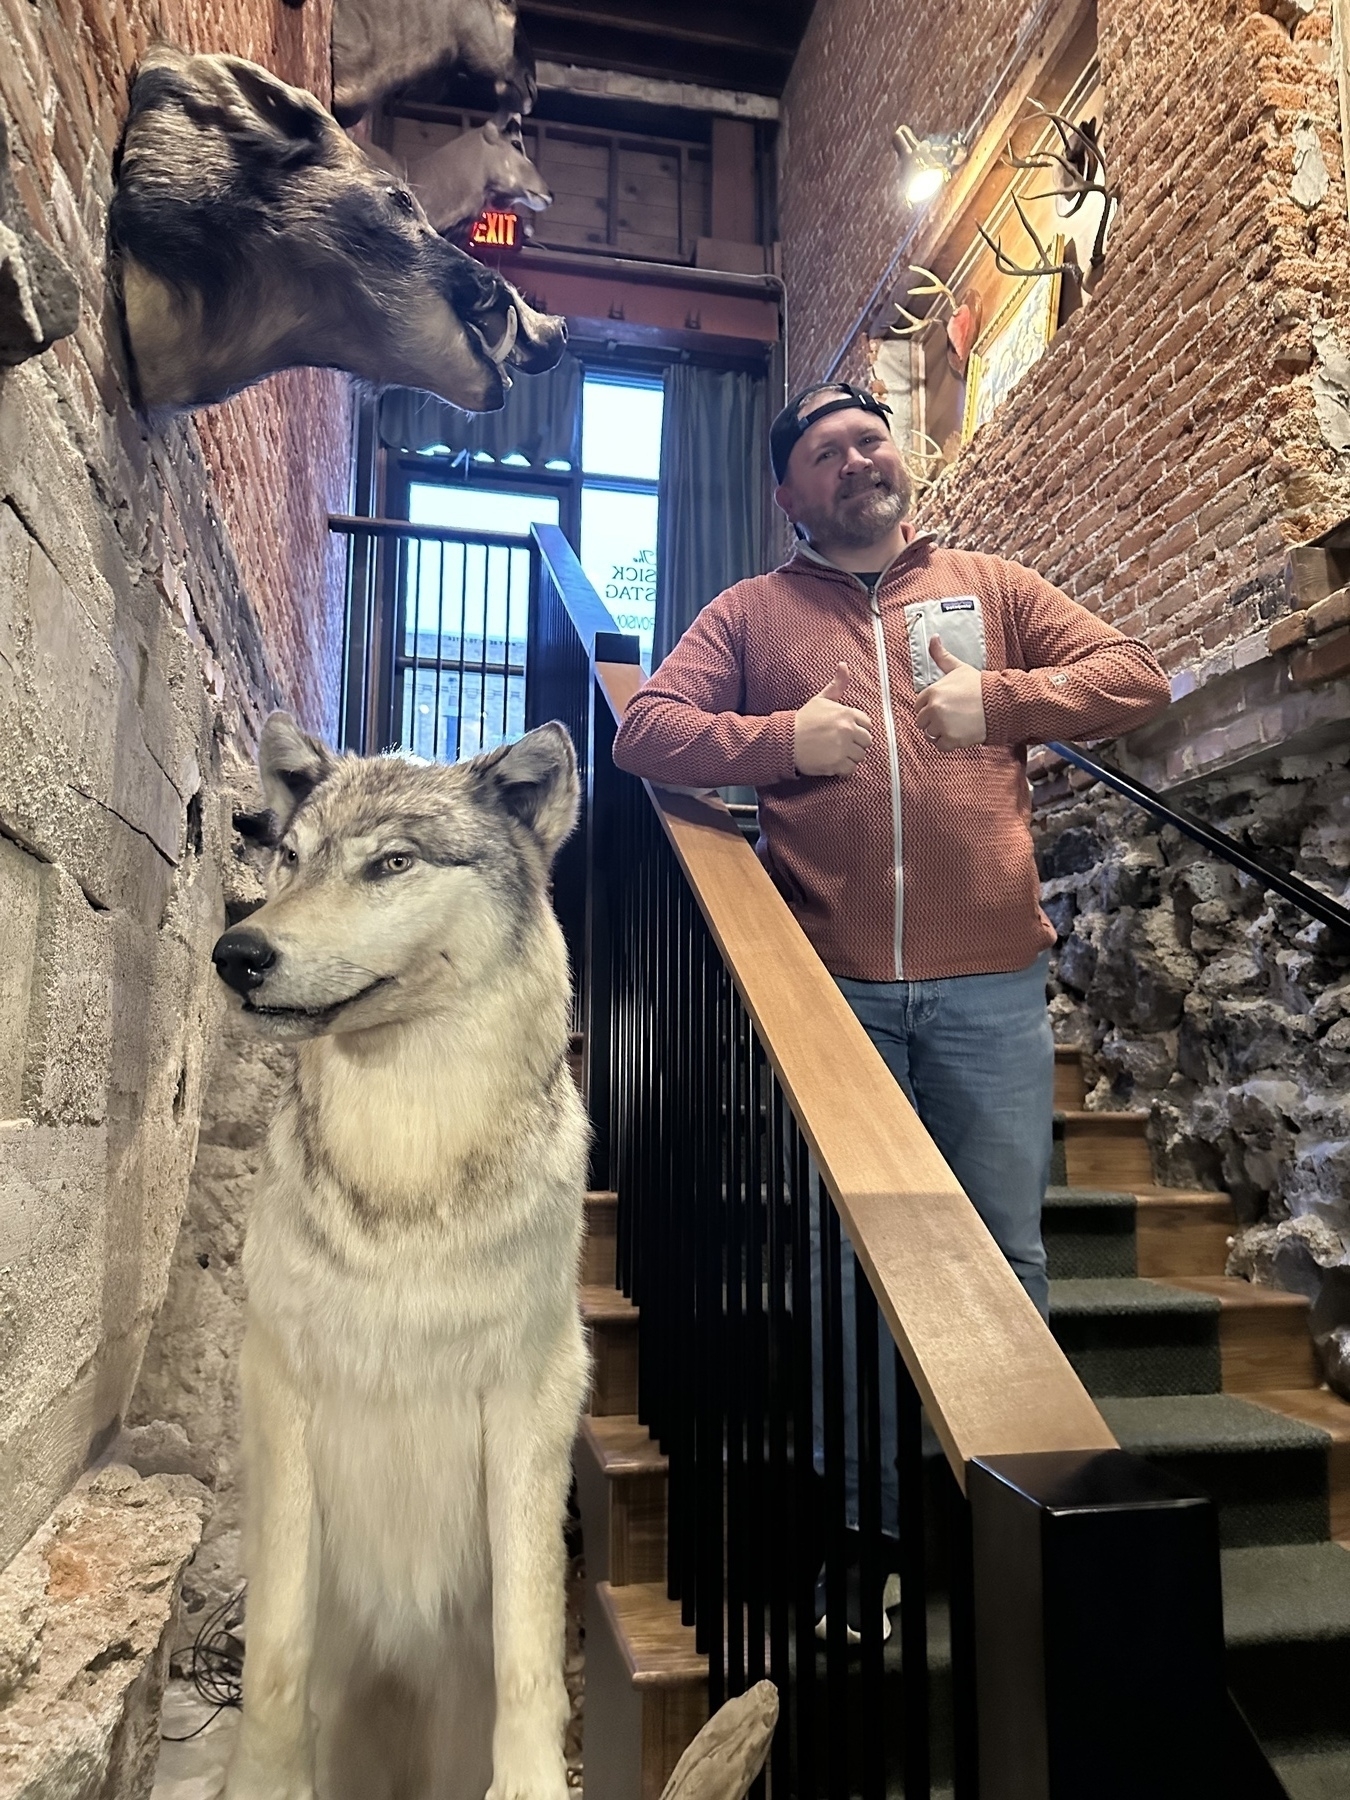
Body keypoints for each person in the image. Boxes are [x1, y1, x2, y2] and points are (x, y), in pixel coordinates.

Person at [611, 380, 1171, 1630]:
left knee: (1007, 1257)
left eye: (871, 438)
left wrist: (1008, 702)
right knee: (850, 1270)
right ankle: (861, 1533)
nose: (859, 457)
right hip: (840, 1004)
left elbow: (1138, 677)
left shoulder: (991, 585)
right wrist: (778, 743)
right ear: (789, 495)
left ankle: (1008, 1512)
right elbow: (647, 731)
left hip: (990, 991)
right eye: (827, 449)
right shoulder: (752, 612)